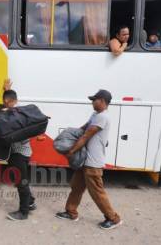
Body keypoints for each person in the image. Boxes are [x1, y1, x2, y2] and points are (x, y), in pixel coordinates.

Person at [55, 89, 122, 230]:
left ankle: (113, 218)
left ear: (103, 101)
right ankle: (71, 212)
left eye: (94, 100)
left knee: (97, 192)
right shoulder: (95, 115)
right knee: (76, 187)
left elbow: (86, 136)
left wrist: (71, 151)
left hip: (93, 163)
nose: (92, 102)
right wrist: (69, 136)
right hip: (85, 160)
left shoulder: (103, 117)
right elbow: (82, 130)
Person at [2, 79, 37, 221]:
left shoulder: (13, 115)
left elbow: (17, 135)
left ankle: (23, 213)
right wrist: (6, 90)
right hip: (23, 152)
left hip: (19, 153)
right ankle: (30, 201)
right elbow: (8, 99)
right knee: (18, 179)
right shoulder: (20, 111)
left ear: (7, 101)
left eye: (4, 101)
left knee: (21, 182)